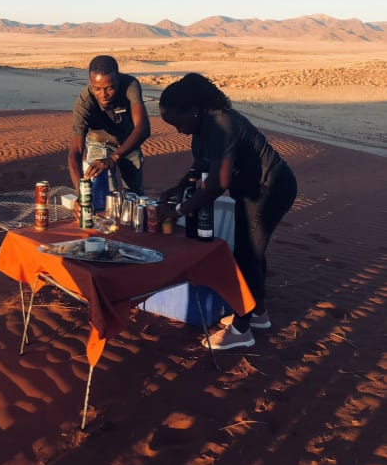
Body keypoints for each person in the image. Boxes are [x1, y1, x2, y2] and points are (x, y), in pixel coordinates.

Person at [157, 73, 297, 351]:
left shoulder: (223, 124)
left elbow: (217, 184)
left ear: (193, 110)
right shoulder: (202, 128)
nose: (180, 131)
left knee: (248, 255)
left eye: (179, 123)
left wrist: (178, 211)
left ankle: (241, 330)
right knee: (251, 252)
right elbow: (200, 165)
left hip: (270, 190)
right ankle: (257, 314)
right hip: (250, 191)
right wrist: (178, 188)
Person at [68, 55, 151, 217]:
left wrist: (114, 158)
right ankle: (108, 229)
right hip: (99, 142)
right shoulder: (84, 103)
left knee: (134, 195)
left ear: (118, 80)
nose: (103, 94)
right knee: (105, 195)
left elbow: (143, 129)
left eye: (109, 88)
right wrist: (81, 194)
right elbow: (75, 152)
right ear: (90, 83)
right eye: (96, 89)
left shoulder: (130, 85)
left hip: (129, 142)